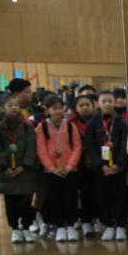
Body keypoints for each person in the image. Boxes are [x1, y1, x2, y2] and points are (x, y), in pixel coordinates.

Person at [0, 96, 40, 243]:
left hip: (26, 172)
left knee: (26, 202)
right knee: (11, 203)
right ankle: (15, 229)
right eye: (10, 105)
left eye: (16, 105)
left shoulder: (28, 127)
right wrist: (4, 167)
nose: (14, 108)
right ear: (3, 108)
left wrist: (24, 166)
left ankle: (26, 228)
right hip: (6, 172)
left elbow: (31, 148)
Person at [83, 90, 128, 241]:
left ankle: (121, 225)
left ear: (114, 103)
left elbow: (125, 145)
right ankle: (108, 225)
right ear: (98, 104)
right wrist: (100, 164)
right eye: (104, 101)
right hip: (100, 169)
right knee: (103, 196)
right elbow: (89, 146)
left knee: (120, 196)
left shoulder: (121, 123)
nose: (107, 104)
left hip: (118, 168)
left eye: (110, 101)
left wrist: (118, 164)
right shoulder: (92, 123)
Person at [35, 93, 82, 242]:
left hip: (69, 170)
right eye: (54, 108)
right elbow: (41, 149)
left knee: (70, 197)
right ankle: (60, 226)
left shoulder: (71, 126)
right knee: (54, 198)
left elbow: (77, 147)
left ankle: (71, 225)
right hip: (51, 172)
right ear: (47, 110)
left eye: (60, 108)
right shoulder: (41, 127)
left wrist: (70, 166)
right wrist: (51, 168)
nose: (58, 111)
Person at [70, 93, 100, 236]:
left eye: (87, 105)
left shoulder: (99, 121)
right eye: (81, 105)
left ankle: (99, 219)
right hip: (79, 164)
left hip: (97, 161)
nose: (85, 108)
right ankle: (86, 221)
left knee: (98, 192)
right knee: (84, 193)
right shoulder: (71, 123)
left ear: (93, 106)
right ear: (75, 108)